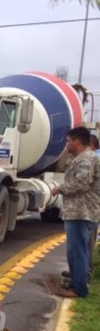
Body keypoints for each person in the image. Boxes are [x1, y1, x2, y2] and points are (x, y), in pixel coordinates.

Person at [51, 127, 100, 298]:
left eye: (68, 141)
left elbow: (81, 183)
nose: (67, 144)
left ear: (77, 141)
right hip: (82, 211)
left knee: (78, 251)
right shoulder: (83, 157)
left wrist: (59, 189)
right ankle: (75, 282)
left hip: (81, 212)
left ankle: (79, 288)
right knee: (76, 251)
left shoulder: (85, 160)